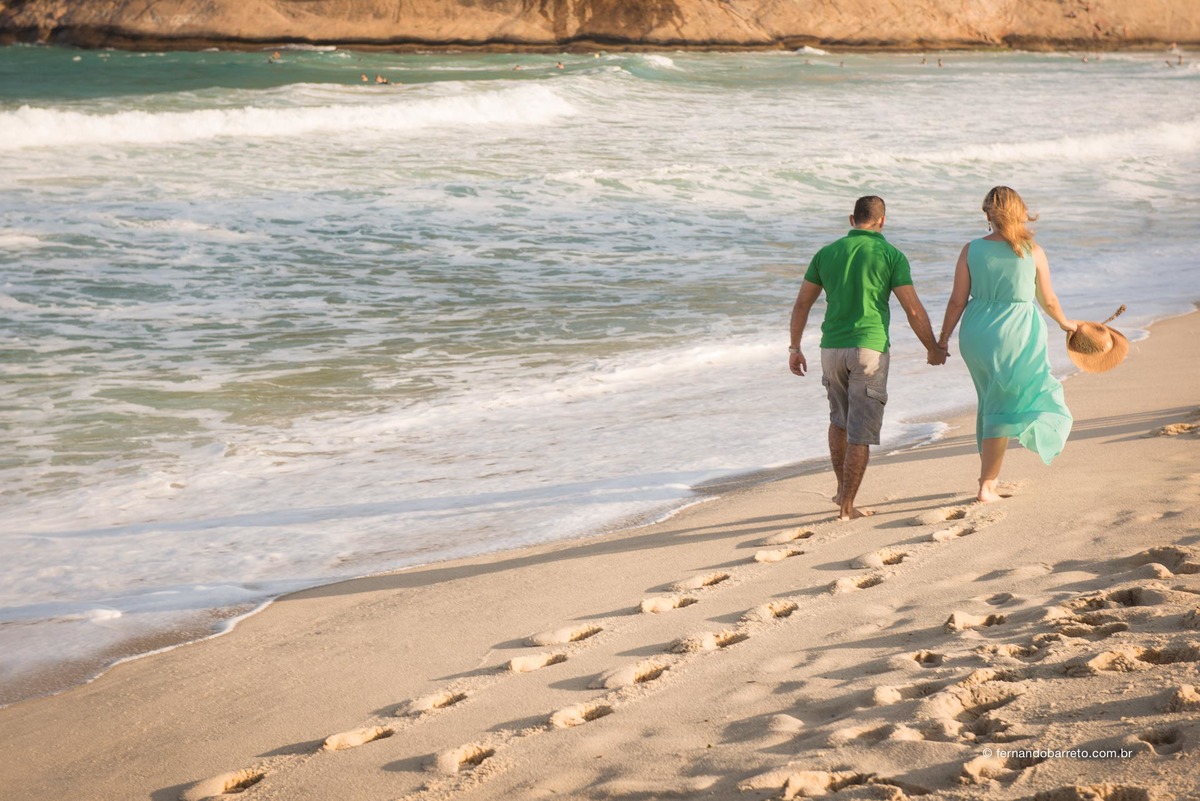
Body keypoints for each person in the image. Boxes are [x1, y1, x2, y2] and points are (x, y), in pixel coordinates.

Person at [789, 196, 947, 520]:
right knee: (859, 429)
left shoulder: (826, 254)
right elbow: (912, 308)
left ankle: (840, 491)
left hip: (830, 350)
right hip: (869, 351)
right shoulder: (891, 255)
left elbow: (802, 304)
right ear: (882, 221)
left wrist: (794, 348)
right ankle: (847, 507)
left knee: (838, 421)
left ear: (852, 219)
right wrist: (932, 347)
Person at [937, 186, 1077, 503]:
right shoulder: (1032, 250)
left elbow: (957, 301)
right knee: (1007, 403)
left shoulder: (970, 249)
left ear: (988, 215)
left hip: (976, 334)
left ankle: (989, 477)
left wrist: (942, 340)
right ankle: (987, 485)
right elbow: (1049, 300)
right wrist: (1066, 324)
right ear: (1020, 211)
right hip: (1018, 332)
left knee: (991, 399)